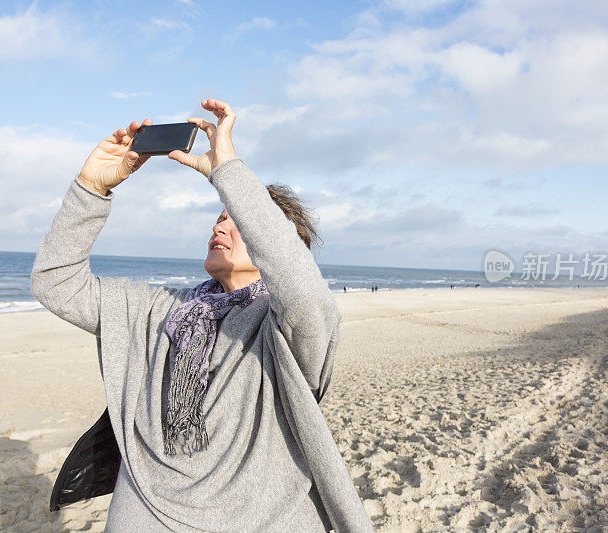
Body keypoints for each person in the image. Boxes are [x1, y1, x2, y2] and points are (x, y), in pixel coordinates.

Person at [31, 99, 372, 532]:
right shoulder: (160, 310)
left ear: (273, 243)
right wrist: (91, 188)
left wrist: (227, 171)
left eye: (238, 221)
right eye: (218, 217)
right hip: (146, 508)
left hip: (257, 516)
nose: (219, 227)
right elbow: (55, 282)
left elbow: (303, 290)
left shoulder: (285, 328)